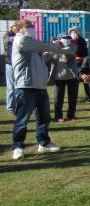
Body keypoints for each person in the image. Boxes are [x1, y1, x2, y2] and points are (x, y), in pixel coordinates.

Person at [10, 19, 68, 160]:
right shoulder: (21, 41)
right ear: (19, 29)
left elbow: (42, 57)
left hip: (41, 88)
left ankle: (44, 143)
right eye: (28, 27)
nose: (32, 29)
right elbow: (41, 46)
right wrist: (56, 46)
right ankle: (18, 147)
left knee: (44, 118)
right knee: (22, 120)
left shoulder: (34, 45)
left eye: (32, 26)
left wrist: (51, 51)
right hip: (26, 87)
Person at [45, 34, 79, 122]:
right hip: (59, 76)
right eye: (64, 38)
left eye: (69, 38)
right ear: (60, 39)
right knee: (58, 98)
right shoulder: (56, 47)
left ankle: (71, 115)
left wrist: (55, 48)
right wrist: (53, 48)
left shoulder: (73, 46)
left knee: (73, 97)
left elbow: (69, 53)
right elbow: (49, 58)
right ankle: (58, 116)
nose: (67, 40)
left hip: (72, 75)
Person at [69, 26, 90, 102]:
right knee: (80, 81)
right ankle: (88, 97)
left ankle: (89, 97)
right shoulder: (75, 41)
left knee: (82, 80)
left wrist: (75, 57)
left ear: (77, 32)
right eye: (71, 32)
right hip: (78, 62)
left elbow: (77, 52)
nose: (72, 33)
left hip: (80, 63)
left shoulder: (79, 40)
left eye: (73, 32)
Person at [3, 22, 17, 114]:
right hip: (10, 64)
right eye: (15, 26)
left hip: (18, 64)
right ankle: (11, 108)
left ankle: (20, 106)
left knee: (20, 87)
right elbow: (7, 40)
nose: (17, 28)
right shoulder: (7, 35)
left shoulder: (20, 35)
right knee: (11, 87)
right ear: (12, 27)